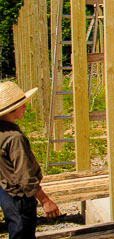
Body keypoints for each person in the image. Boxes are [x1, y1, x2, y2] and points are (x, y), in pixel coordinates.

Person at [0, 82, 60, 238]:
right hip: (20, 198)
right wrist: (45, 200)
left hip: (6, 193)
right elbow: (24, 178)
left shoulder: (3, 132)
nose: (25, 107)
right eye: (22, 104)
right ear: (10, 110)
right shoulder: (14, 138)